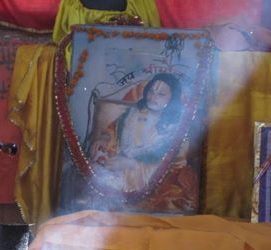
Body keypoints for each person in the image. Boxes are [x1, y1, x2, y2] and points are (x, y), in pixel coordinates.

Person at [84, 73, 199, 212]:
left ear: (173, 98)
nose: (153, 96)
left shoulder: (176, 127)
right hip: (121, 166)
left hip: (158, 177)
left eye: (161, 94)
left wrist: (133, 164)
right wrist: (104, 138)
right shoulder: (134, 113)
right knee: (96, 181)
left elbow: (175, 163)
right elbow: (114, 128)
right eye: (151, 91)